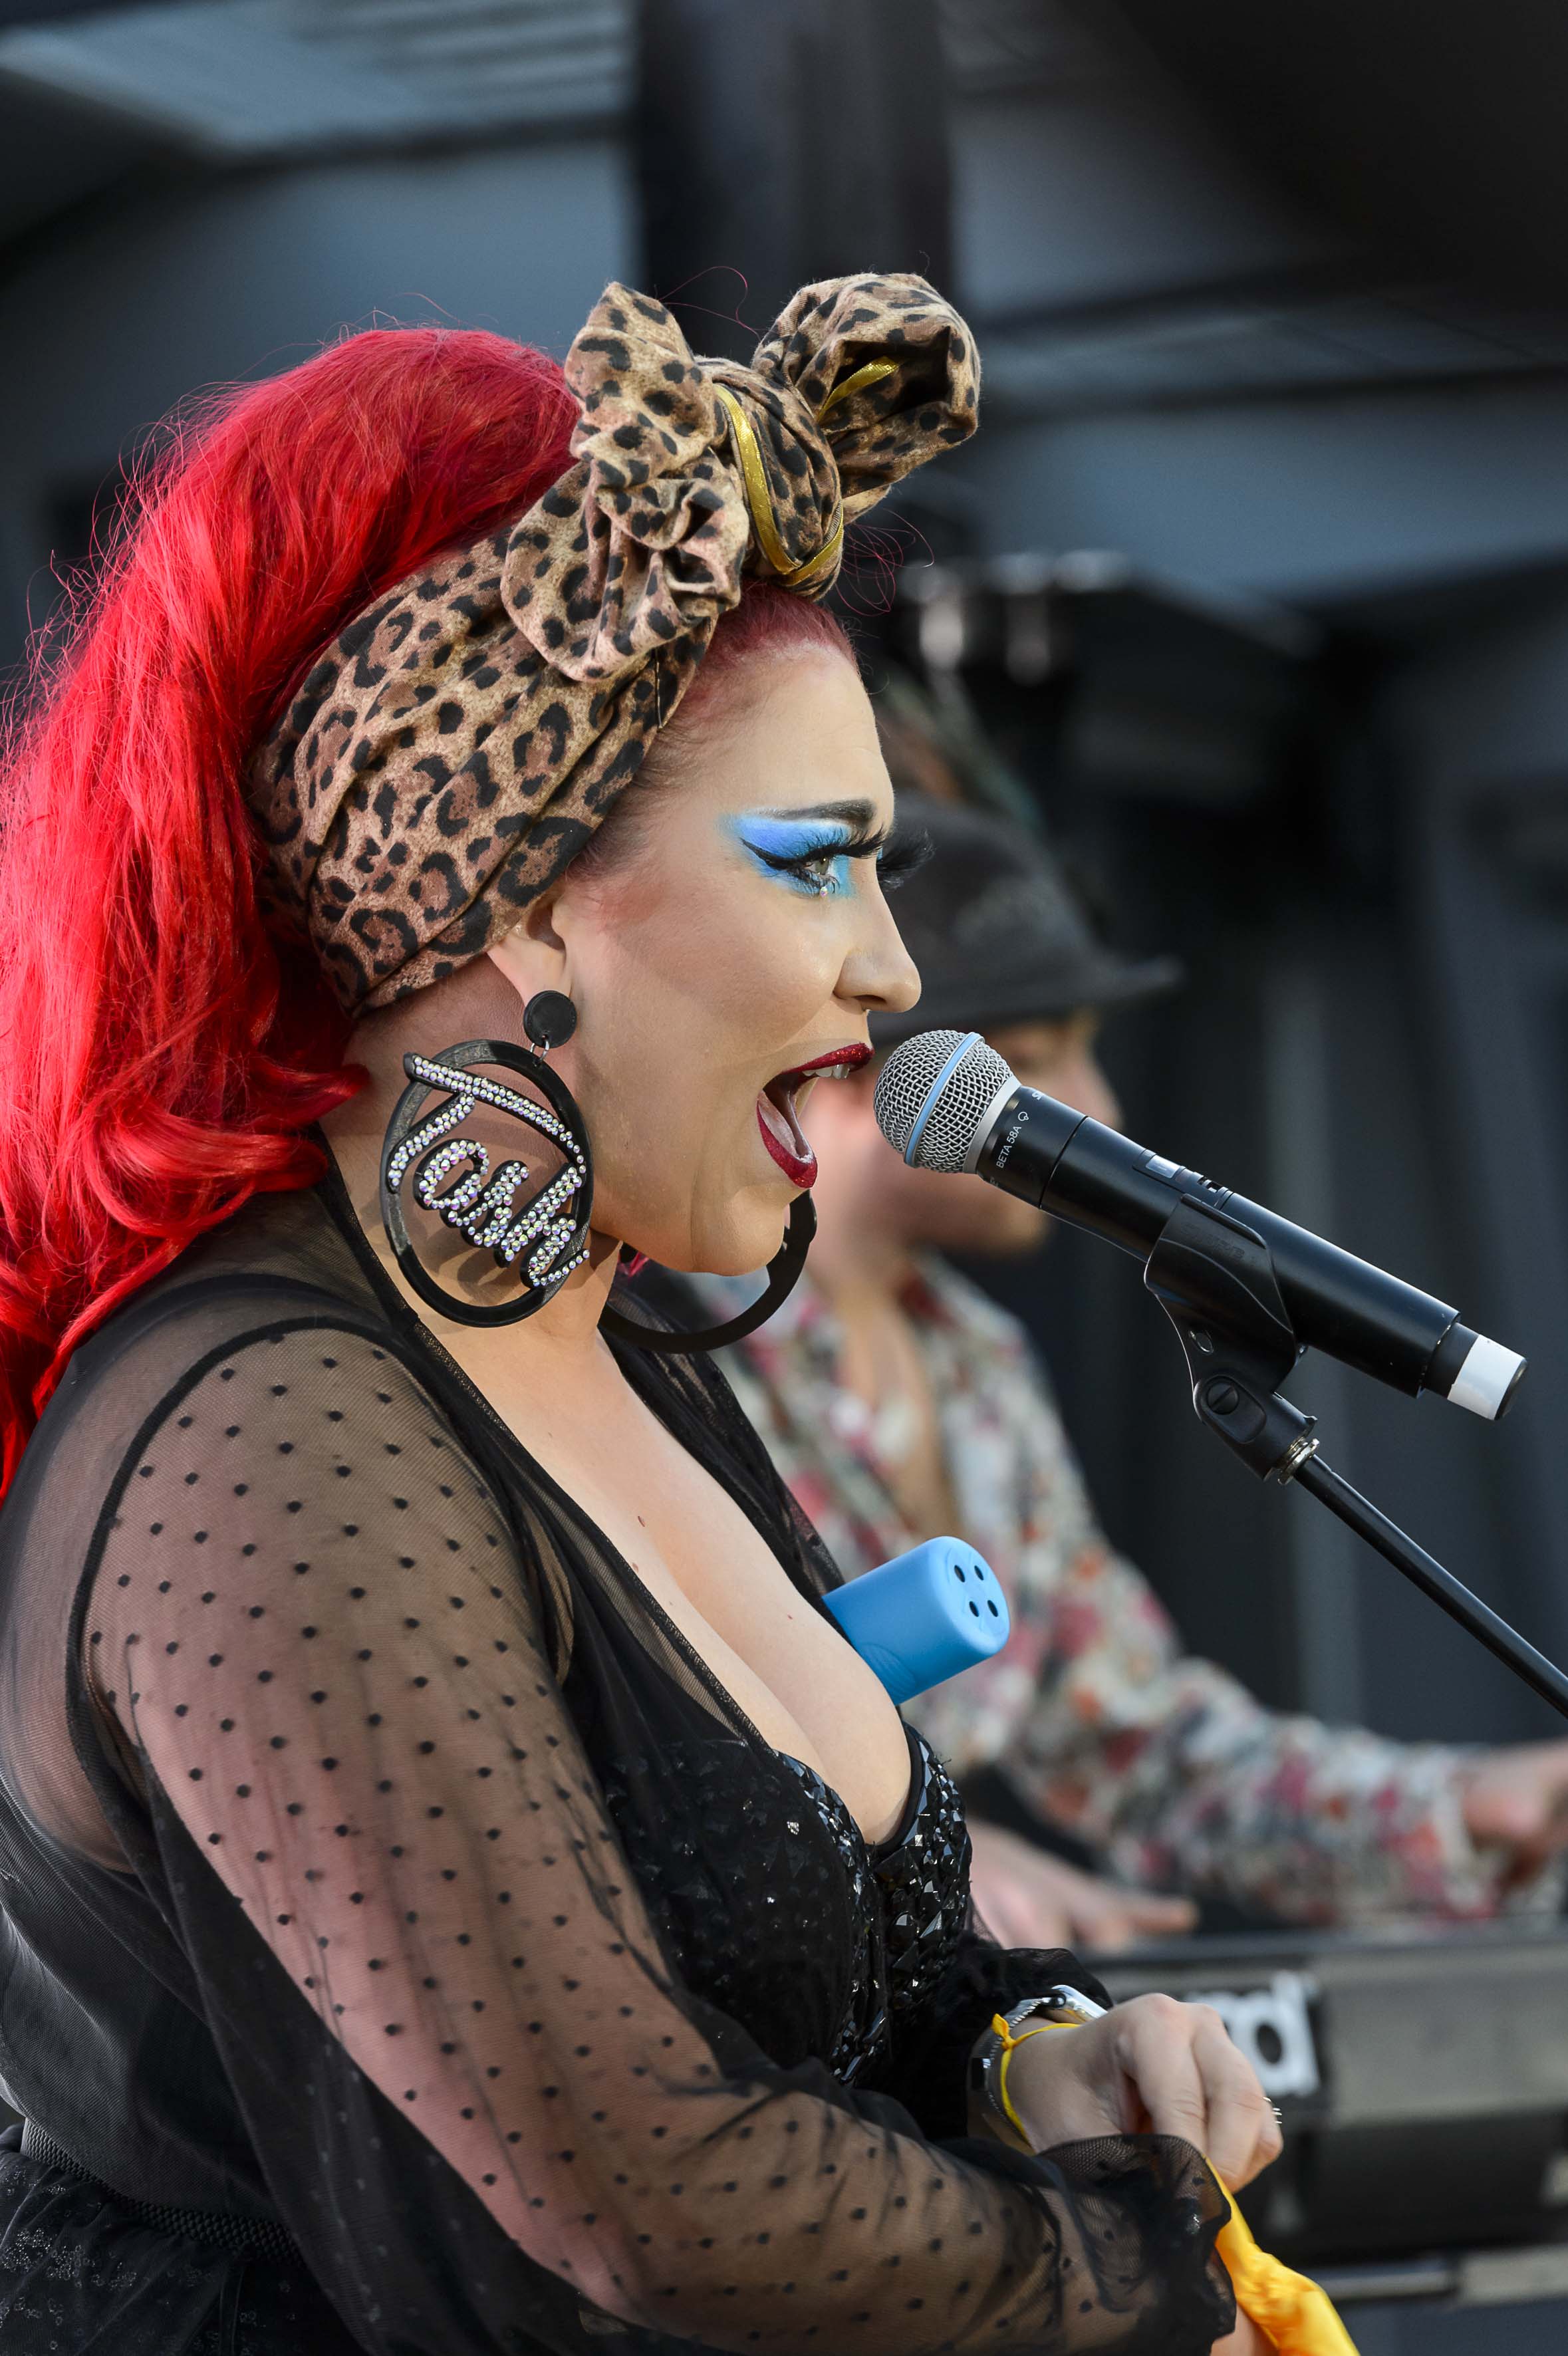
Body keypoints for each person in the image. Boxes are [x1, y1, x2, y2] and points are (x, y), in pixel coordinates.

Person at [0, 278, 1287, 2355]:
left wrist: (1024, 2058)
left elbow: (817, 1992)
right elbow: (643, 2206)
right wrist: (1131, 2287)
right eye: (812, 864)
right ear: (515, 895)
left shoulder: (618, 1349)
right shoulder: (273, 1434)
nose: (889, 973)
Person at [710, 788, 1568, 1951]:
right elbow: (659, 1716)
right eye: (1034, 1062)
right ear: (863, 1071)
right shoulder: (669, 1336)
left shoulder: (979, 1364)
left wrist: (1454, 1812)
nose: (1096, 1108)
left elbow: (1141, 1747)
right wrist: (918, 1837)